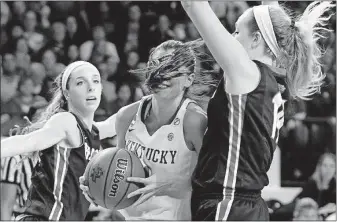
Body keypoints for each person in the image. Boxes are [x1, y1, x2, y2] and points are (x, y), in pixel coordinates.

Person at [181, 0, 334, 221]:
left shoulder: (246, 74)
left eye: (236, 31)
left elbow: (193, 5)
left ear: (256, 39)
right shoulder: (276, 83)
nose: (232, 37)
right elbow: (270, 18)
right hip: (248, 207)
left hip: (228, 204)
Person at [80, 39, 217, 220]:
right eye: (156, 65)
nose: (162, 73)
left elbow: (212, 183)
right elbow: (118, 175)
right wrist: (97, 185)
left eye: (172, 67)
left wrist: (168, 184)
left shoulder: (194, 122)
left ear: (189, 79)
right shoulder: (127, 116)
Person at [1, 61, 103, 221]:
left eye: (96, 80)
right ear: (67, 93)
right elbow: (27, 142)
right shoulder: (66, 121)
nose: (91, 87)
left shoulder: (94, 134)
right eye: (81, 82)